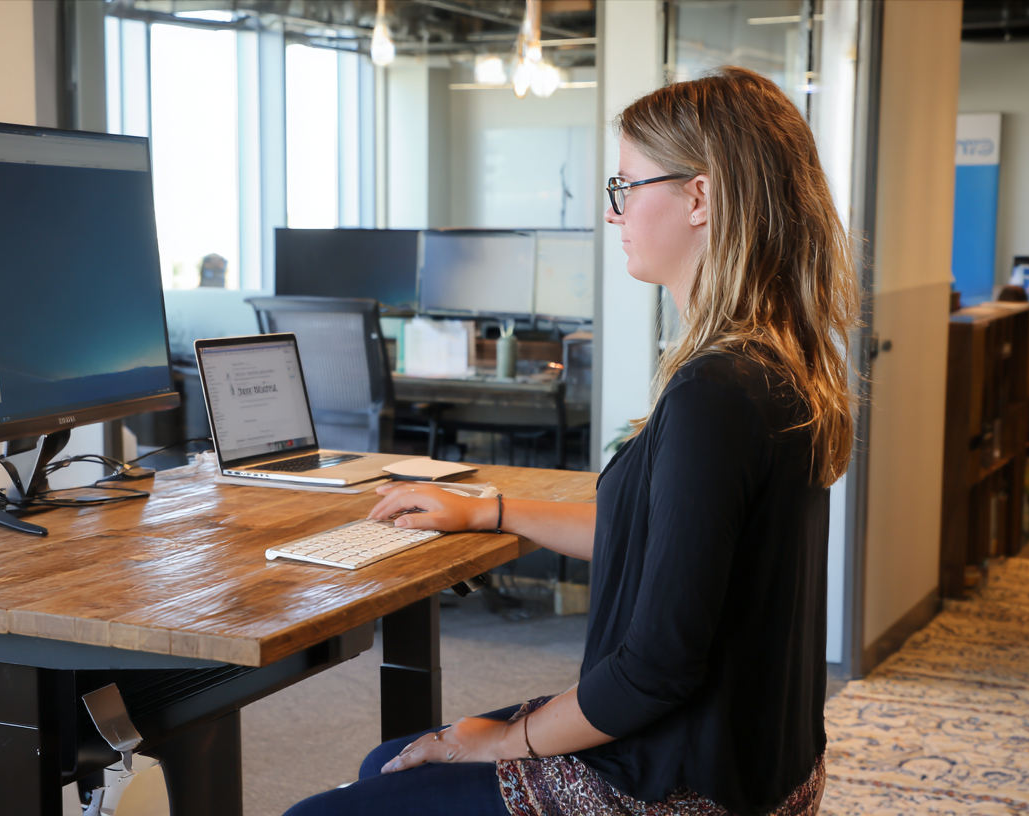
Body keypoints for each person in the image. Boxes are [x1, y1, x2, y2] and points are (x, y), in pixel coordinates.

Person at [282, 65, 857, 816]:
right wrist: (491, 510)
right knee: (388, 761)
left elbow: (655, 671)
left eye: (626, 186)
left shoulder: (714, 392)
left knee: (321, 809)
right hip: (761, 761)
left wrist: (497, 740)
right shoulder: (777, 363)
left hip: (675, 786)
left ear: (701, 197)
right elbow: (668, 541)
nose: (614, 213)